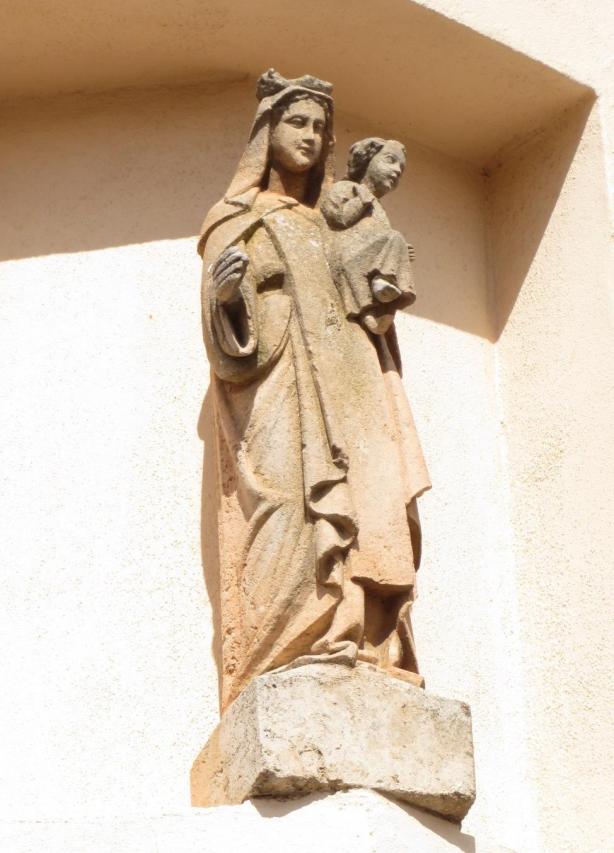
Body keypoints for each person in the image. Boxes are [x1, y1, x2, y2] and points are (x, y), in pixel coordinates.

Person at [198, 69, 430, 709]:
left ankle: (361, 633)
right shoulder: (235, 218)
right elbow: (226, 338)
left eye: (319, 127)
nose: (309, 135)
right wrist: (227, 299)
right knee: (289, 504)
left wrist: (379, 295)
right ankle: (286, 646)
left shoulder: (335, 219)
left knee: (368, 501)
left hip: (351, 382)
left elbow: (365, 300)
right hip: (281, 388)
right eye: (296, 122)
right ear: (267, 132)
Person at [321, 137, 416, 335]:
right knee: (395, 237)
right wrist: (361, 200)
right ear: (367, 159)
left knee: (395, 240)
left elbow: (379, 239)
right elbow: (337, 217)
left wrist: (399, 253)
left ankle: (372, 310)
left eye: (401, 168)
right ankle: (381, 285)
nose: (397, 171)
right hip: (346, 256)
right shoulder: (346, 188)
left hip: (363, 265)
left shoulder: (379, 209)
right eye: (390, 160)